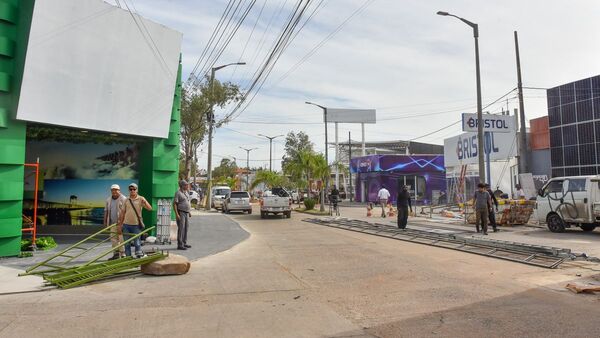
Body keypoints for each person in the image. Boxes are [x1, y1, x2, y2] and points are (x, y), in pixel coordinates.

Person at [118, 183, 152, 258]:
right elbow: (122, 213)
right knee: (127, 244)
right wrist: (120, 225)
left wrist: (145, 201)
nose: (132, 191)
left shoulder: (141, 199)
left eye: (134, 189)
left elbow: (150, 208)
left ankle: (138, 258)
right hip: (126, 225)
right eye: (131, 189)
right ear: (129, 190)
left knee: (137, 243)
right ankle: (128, 259)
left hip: (136, 225)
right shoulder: (126, 200)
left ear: (137, 190)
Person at [104, 184, 126, 260]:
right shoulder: (108, 199)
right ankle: (116, 254)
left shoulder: (124, 199)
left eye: (116, 190)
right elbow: (106, 211)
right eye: (113, 190)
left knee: (121, 238)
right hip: (112, 223)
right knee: (113, 239)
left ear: (119, 190)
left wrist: (123, 223)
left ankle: (123, 254)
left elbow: (126, 211)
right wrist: (105, 222)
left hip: (121, 223)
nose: (114, 191)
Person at [173, 180, 192, 250]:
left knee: (186, 228)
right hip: (181, 212)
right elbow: (174, 204)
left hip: (186, 212)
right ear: (182, 186)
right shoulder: (178, 193)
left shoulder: (186, 193)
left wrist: (189, 212)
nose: (187, 186)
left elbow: (187, 202)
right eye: (186, 185)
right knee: (181, 228)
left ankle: (184, 242)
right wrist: (177, 214)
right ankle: (180, 244)